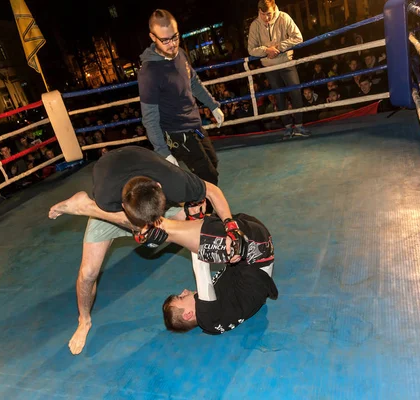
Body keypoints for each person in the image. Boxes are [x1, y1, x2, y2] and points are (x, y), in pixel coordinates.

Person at [48, 146, 245, 354]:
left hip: (145, 195)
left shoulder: (173, 181)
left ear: (159, 188)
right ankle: (84, 320)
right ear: (125, 207)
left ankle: (163, 229)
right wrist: (143, 227)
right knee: (87, 273)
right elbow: (122, 216)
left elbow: (212, 191)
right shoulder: (107, 196)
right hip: (110, 208)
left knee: (199, 231)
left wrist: (230, 225)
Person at [138, 212, 277, 335]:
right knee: (200, 231)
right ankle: (156, 223)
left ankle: (168, 219)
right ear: (188, 315)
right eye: (181, 297)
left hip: (253, 247)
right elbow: (201, 266)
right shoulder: (207, 316)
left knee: (205, 221)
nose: (184, 291)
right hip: (256, 251)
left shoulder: (213, 318)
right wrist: (185, 229)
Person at [138, 9, 224, 185]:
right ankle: (203, 211)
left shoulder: (181, 54)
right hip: (176, 132)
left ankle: (198, 206)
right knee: (208, 177)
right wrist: (163, 151)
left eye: (175, 37)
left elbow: (193, 82)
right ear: (153, 37)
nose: (172, 44)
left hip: (195, 124)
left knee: (212, 164)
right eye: (165, 40)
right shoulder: (149, 73)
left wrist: (213, 105)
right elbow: (149, 118)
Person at [248, 0, 311, 138]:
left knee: (295, 92)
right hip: (270, 67)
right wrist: (266, 50)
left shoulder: (284, 17)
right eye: (263, 14)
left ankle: (299, 126)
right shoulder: (255, 25)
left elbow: (298, 37)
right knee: (279, 97)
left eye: (269, 14)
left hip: (286, 62)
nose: (267, 18)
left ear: (274, 8)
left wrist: (278, 47)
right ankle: (288, 127)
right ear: (259, 11)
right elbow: (251, 49)